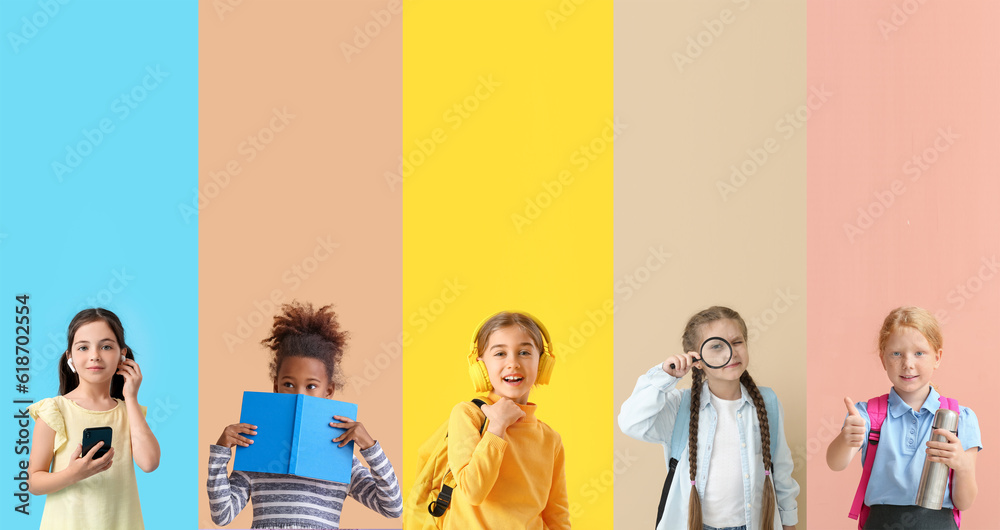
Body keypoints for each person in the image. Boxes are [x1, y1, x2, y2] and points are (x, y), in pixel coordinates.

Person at [208, 301, 401, 529]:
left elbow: (392, 507)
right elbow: (223, 515)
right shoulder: (256, 449)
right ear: (276, 386)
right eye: (289, 384)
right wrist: (220, 452)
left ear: (328, 391)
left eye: (311, 386)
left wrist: (370, 447)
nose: (299, 395)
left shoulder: (341, 458)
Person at [619, 306, 798, 530]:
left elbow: (780, 469)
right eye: (716, 346)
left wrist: (789, 521)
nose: (730, 353)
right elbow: (630, 422)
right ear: (697, 360)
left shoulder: (767, 402)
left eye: (737, 342)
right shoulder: (678, 407)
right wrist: (664, 377)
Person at [826, 306, 980, 529]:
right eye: (896, 353)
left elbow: (964, 502)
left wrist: (963, 467)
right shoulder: (866, 415)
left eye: (919, 353)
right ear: (883, 359)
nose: (908, 364)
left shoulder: (962, 419)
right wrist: (846, 439)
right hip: (881, 523)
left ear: (937, 358)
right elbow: (835, 463)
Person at [27, 308, 159, 530]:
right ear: (70, 357)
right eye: (83, 347)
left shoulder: (130, 412)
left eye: (106, 346)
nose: (95, 355)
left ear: (122, 355)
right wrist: (72, 474)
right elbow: (33, 482)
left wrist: (131, 397)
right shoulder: (54, 410)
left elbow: (149, 463)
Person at [444, 311, 570, 529]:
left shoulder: (550, 439)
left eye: (524, 352)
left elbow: (557, 515)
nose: (513, 363)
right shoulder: (467, 415)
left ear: (541, 363)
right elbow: (472, 492)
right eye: (500, 354)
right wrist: (497, 427)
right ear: (481, 365)